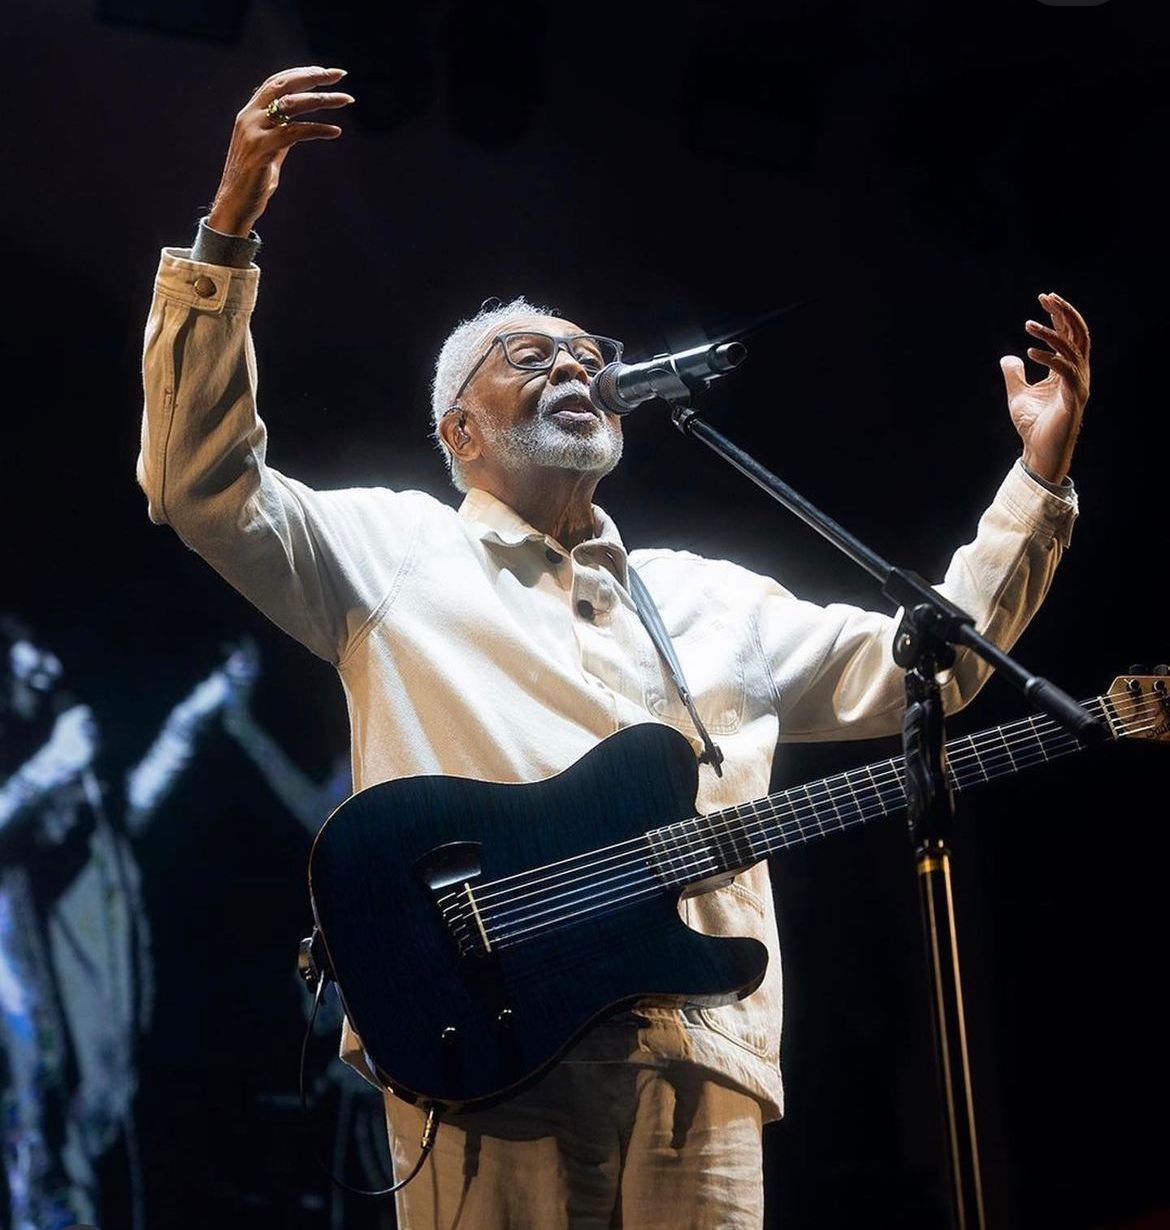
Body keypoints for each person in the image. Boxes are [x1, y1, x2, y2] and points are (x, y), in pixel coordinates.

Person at [136, 65, 1088, 1230]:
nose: (576, 364)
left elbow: (930, 668)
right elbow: (201, 484)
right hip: (486, 1043)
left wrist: (1034, 483)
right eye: (531, 356)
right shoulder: (391, 552)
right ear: (462, 432)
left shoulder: (710, 601)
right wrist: (227, 231)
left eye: (591, 353)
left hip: (706, 1055)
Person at [0, 618, 255, 1230]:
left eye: (47, 647)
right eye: (26, 652)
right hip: (37, 1050)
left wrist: (192, 720)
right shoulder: (34, 772)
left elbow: (123, 820)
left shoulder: (64, 763)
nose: (47, 665)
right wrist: (51, 767)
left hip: (109, 1042)